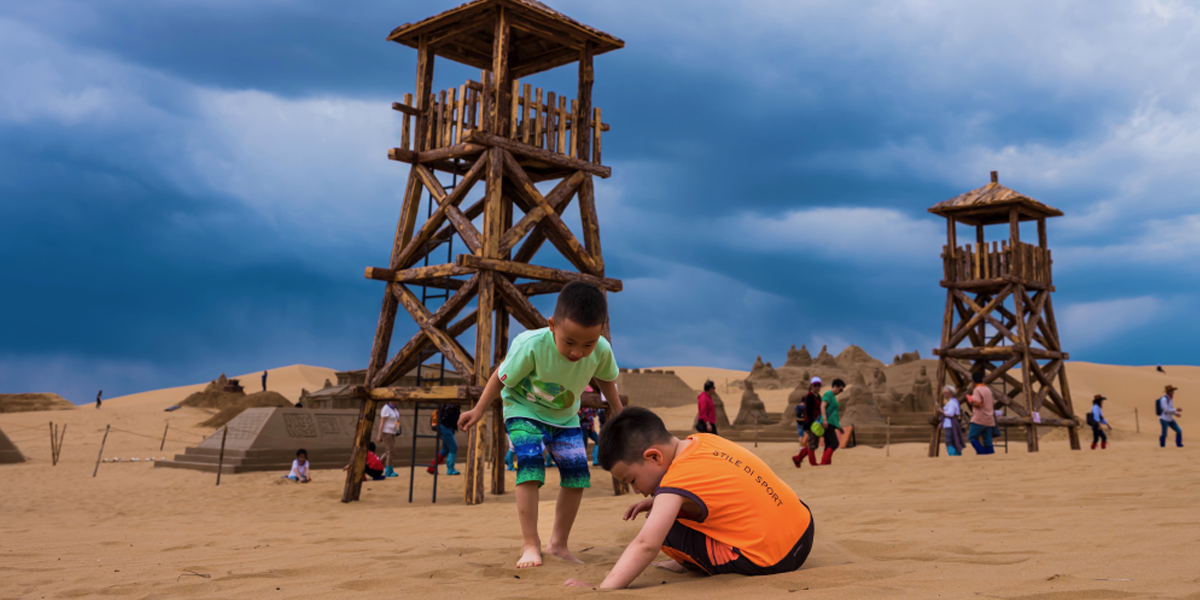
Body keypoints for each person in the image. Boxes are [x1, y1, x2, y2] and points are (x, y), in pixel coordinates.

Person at [457, 280, 624, 569]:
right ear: (552, 326)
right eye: (569, 342)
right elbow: (500, 376)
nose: (577, 352)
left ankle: (558, 545)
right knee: (531, 464)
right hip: (523, 408)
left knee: (577, 475)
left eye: (588, 343)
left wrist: (620, 415)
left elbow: (606, 381)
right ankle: (530, 544)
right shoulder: (531, 345)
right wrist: (479, 409)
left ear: (600, 333)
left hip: (565, 415)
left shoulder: (601, 350)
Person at [564, 407, 814, 590]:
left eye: (631, 480)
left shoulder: (677, 479)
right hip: (803, 528)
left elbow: (646, 545)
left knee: (665, 527)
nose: (637, 490)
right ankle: (693, 560)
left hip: (773, 559)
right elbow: (721, 485)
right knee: (668, 508)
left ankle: (692, 562)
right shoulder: (703, 440)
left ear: (654, 457)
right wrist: (658, 498)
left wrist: (603, 589)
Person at [792, 377, 824, 467]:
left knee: (814, 444)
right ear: (812, 386)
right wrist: (812, 423)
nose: (817, 387)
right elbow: (808, 411)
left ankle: (797, 458)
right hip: (810, 423)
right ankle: (813, 463)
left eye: (819, 385)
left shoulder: (819, 396)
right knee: (811, 443)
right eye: (815, 385)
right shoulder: (809, 396)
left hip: (817, 423)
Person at [965, 372, 996, 455]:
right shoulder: (987, 389)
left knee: (972, 437)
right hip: (989, 419)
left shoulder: (977, 390)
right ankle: (990, 456)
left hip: (979, 418)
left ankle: (982, 453)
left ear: (973, 381)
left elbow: (978, 403)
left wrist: (970, 401)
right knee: (988, 441)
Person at [818, 378, 845, 465]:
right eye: (840, 389)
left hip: (831, 423)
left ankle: (825, 461)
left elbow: (834, 413)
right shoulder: (828, 394)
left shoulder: (833, 396)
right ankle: (825, 460)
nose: (840, 392)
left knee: (828, 443)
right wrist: (825, 420)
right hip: (827, 423)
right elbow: (822, 406)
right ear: (835, 386)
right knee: (834, 443)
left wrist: (838, 426)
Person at [935, 385, 964, 456]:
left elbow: (950, 413)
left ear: (952, 393)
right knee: (953, 440)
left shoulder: (952, 402)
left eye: (947, 393)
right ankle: (955, 454)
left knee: (949, 440)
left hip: (951, 424)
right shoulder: (951, 401)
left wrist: (941, 411)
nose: (945, 395)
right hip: (949, 423)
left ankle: (953, 455)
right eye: (944, 393)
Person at [377, 399, 401, 478]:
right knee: (390, 451)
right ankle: (388, 471)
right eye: (391, 400)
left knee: (390, 451)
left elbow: (397, 420)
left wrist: (397, 430)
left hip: (393, 432)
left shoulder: (395, 408)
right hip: (386, 432)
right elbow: (382, 423)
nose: (393, 401)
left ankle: (377, 465)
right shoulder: (385, 408)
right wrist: (379, 435)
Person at [437, 403, 461, 476]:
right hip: (446, 428)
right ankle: (450, 469)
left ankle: (432, 467)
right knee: (453, 447)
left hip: (447, 428)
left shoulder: (447, 406)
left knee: (445, 450)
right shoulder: (450, 406)